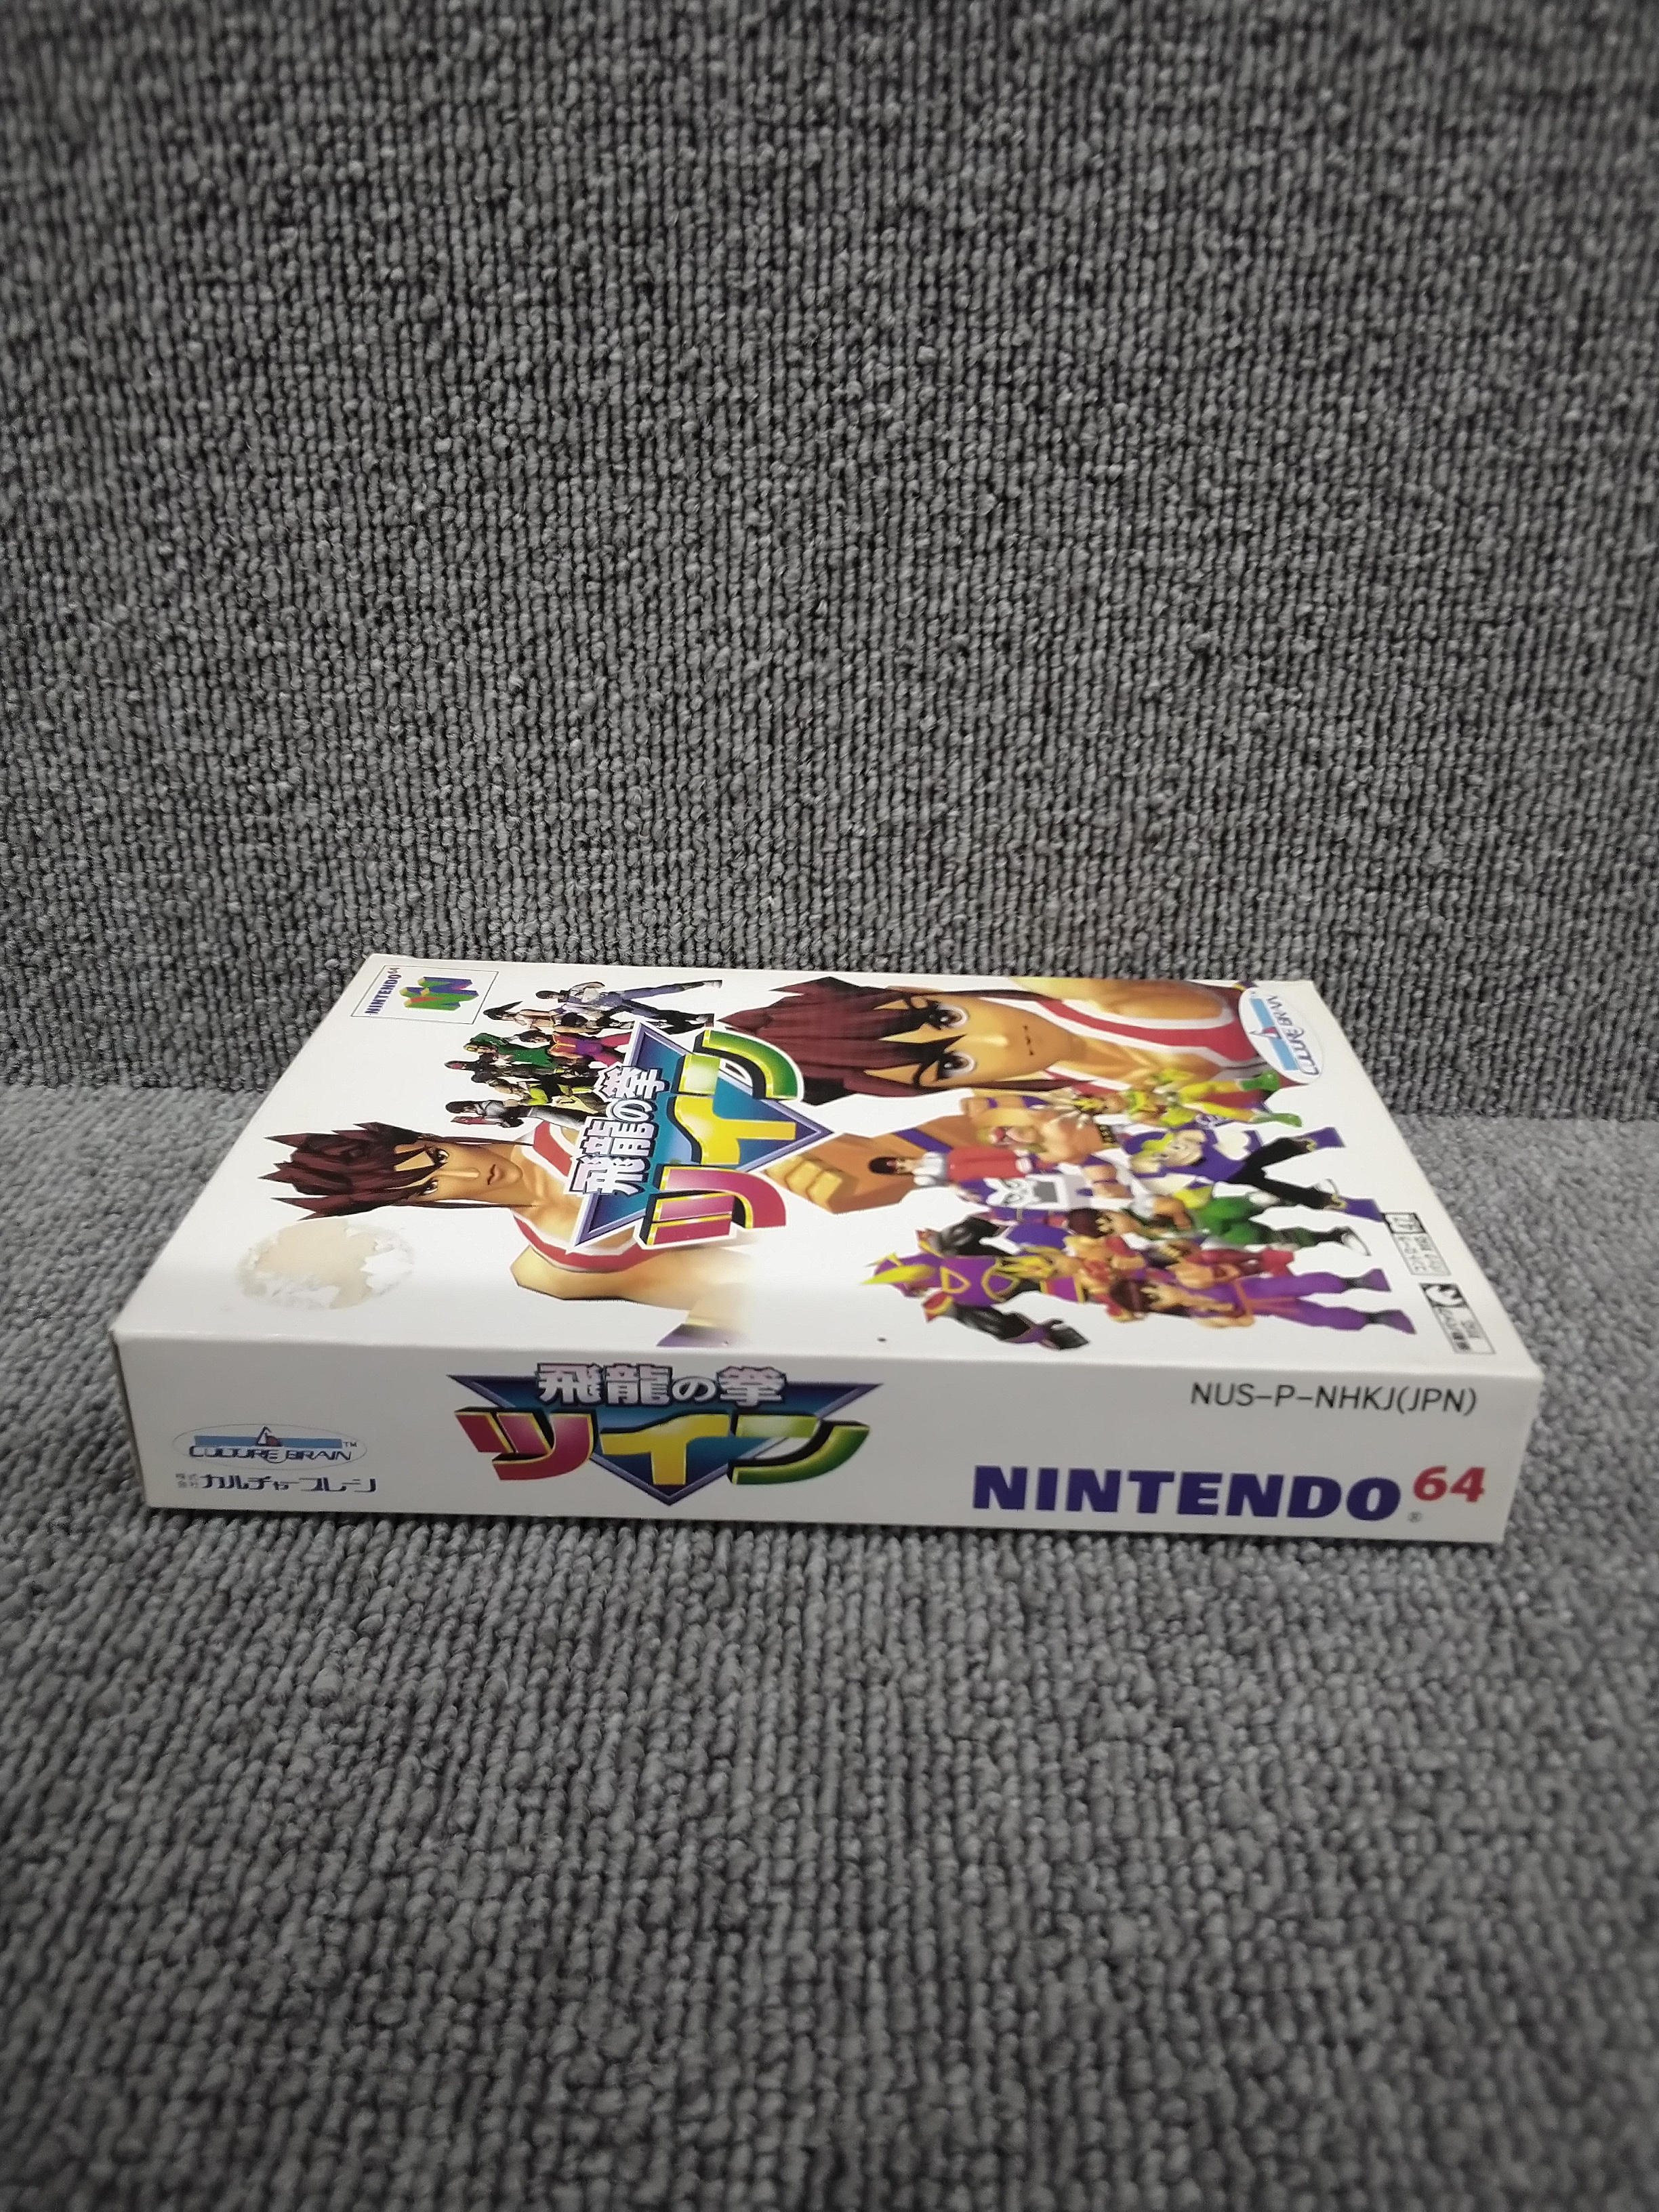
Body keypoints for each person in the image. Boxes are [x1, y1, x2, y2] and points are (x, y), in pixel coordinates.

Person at [264, 1122, 746, 1345]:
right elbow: (709, 1287)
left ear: (434, 1138)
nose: (472, 1177)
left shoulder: (564, 1134)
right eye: (430, 1187)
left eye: (439, 1158)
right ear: (416, 1205)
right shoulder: (551, 1260)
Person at [725, 975, 1273, 1103]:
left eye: (948, 1018)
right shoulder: (1089, 1095)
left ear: (917, 988)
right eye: (953, 1066)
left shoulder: (1104, 1000)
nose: (1006, 1047)